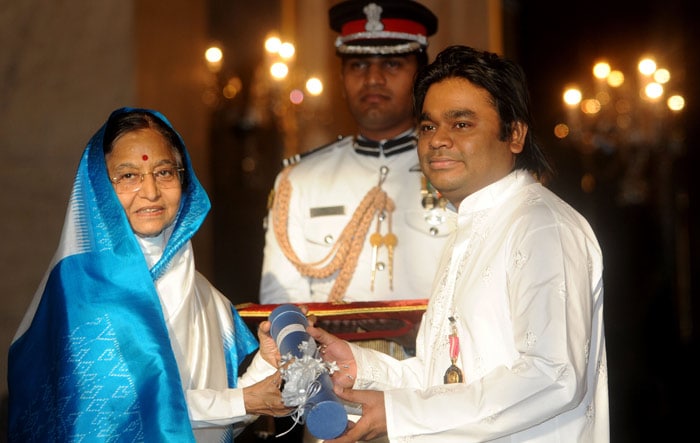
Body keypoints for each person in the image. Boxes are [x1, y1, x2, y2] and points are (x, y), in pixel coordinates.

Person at [307, 45, 610, 442]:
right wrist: (360, 367)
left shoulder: (540, 225)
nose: (437, 141)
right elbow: (446, 377)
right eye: (429, 126)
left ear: (514, 134)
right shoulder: (471, 227)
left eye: (462, 124)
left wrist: (398, 414)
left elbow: (551, 376)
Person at [7, 108, 290, 442]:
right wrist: (238, 401)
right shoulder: (82, 292)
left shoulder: (203, 294)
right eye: (128, 176)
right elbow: (116, 417)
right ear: (99, 187)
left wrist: (267, 366)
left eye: (164, 172)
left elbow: (223, 421)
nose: (151, 192)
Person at [260, 0, 453, 357]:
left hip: (436, 382)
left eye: (392, 64)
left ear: (421, 74)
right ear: (341, 76)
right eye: (359, 64)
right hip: (333, 386)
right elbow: (281, 300)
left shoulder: (457, 170)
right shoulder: (300, 180)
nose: (373, 79)